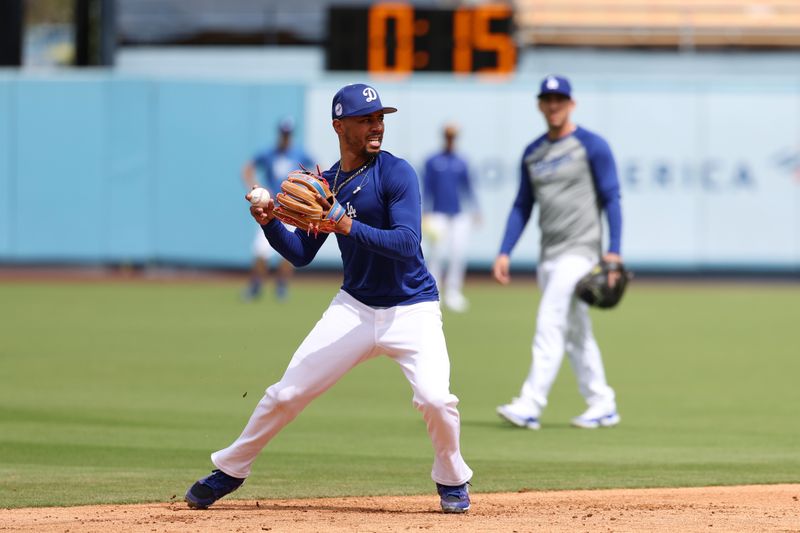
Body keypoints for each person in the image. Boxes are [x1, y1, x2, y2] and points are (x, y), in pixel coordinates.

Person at [185, 83, 473, 513]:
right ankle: (230, 469)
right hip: (354, 309)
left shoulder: (396, 173)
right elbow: (301, 254)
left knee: (436, 400)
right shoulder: (329, 182)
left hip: (412, 308)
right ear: (340, 126)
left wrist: (346, 225)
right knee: (285, 395)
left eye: (380, 118)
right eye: (366, 120)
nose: (377, 126)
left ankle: (451, 478)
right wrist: (269, 223)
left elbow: (409, 244)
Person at [494, 75, 623, 430]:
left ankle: (530, 403)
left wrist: (613, 253)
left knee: (549, 320)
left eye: (560, 99)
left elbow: (612, 198)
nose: (554, 105)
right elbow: (522, 205)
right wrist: (505, 250)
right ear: (540, 104)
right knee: (576, 331)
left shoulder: (592, 146)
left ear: (572, 104)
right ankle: (602, 402)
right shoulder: (533, 153)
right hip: (549, 254)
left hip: (580, 252)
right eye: (548, 99)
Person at [241, 117, 314, 301]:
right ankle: (256, 285)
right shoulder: (269, 153)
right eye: (283, 133)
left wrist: (307, 192)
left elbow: (315, 170)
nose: (285, 137)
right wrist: (253, 186)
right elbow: (247, 169)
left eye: (288, 134)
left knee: (289, 250)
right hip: (271, 209)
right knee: (260, 251)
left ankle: (281, 286)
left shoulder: (299, 154)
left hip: (291, 209)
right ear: (279, 134)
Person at [422, 124, 479, 313]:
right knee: (436, 255)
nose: (450, 140)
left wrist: (476, 209)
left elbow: (468, 188)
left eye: (453, 136)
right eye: (448, 136)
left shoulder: (461, 161)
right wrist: (425, 212)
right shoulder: (433, 161)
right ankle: (434, 292)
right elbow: (427, 188)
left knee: (457, 253)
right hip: (437, 214)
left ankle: (454, 292)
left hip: (458, 215)